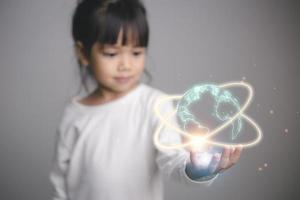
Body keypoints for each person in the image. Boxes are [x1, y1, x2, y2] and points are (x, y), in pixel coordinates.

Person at [49, 0, 243, 199]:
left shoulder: (155, 105)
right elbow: (60, 183)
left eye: (136, 53)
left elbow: (173, 160)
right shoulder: (73, 113)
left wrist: (198, 168)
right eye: (111, 53)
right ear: (83, 53)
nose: (126, 64)